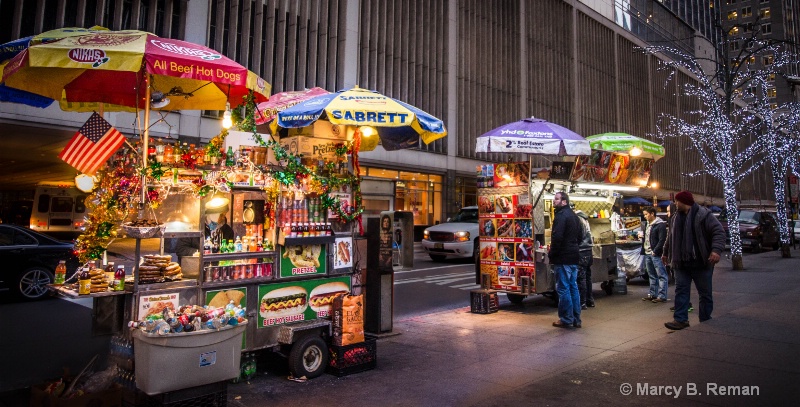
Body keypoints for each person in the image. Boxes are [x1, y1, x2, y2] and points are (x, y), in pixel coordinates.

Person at [661, 191, 725, 330]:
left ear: (684, 202)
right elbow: (670, 237)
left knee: (705, 293)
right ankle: (680, 320)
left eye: (677, 201)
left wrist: (715, 251)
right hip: (681, 263)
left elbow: (718, 232)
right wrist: (665, 252)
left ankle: (705, 319)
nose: (675, 204)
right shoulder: (675, 217)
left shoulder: (704, 215)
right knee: (681, 291)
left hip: (701, 261)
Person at [549, 192, 583, 328]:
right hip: (574, 256)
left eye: (556, 199)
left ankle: (566, 319)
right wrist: (573, 247)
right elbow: (581, 236)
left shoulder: (561, 216)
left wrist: (552, 254)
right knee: (573, 287)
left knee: (563, 289)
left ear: (564, 202)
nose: (554, 201)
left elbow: (557, 238)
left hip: (563, 257)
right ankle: (576, 319)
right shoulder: (575, 216)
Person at [641, 207, 668, 303]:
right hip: (647, 253)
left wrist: (655, 251)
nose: (645, 216)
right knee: (651, 275)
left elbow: (662, 240)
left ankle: (662, 296)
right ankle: (653, 294)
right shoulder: (647, 224)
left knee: (661, 275)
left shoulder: (660, 225)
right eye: (644, 214)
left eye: (646, 214)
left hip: (655, 254)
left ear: (652, 214)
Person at [575, 210, 595, 309]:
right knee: (587, 277)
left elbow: (579, 236)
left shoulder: (578, 219)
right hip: (588, 250)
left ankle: (582, 302)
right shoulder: (585, 219)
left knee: (581, 277)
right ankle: (590, 300)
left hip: (582, 250)